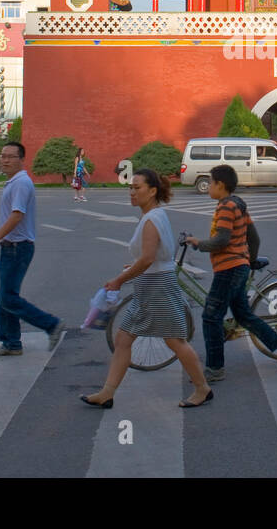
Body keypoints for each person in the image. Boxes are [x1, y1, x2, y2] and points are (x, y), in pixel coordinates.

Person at [82, 167, 212, 409]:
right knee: (123, 338)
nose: (132, 192)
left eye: (137, 187)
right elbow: (151, 257)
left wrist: (120, 279)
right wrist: (134, 267)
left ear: (152, 191)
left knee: (174, 341)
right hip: (149, 284)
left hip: (158, 286)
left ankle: (202, 388)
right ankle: (107, 393)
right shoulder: (154, 215)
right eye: (130, 187)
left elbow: (149, 259)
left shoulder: (151, 219)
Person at [185, 165, 277, 381]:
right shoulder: (239, 205)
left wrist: (199, 243)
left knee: (211, 316)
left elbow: (222, 240)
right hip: (238, 267)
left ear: (220, 185)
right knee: (243, 315)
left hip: (229, 269)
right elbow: (254, 239)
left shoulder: (226, 207)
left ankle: (215, 369)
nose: (208, 186)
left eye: (211, 182)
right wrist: (249, 261)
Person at [0, 142, 64, 356]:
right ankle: (11, 343)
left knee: (7, 298)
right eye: (2, 155)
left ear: (21, 159)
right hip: (12, 247)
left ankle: (51, 325)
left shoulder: (21, 183)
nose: (5, 160)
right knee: (4, 297)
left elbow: (17, 215)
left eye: (10, 156)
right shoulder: (14, 182)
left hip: (18, 248)